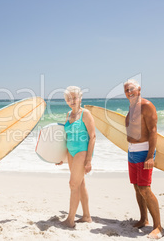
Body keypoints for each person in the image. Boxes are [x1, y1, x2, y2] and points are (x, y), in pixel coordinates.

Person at [124, 79, 163, 239]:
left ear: (139, 89)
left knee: (145, 189)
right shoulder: (131, 107)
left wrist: (150, 156)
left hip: (144, 151)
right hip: (132, 152)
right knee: (136, 188)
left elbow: (153, 131)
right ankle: (143, 219)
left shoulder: (147, 105)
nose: (129, 92)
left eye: (131, 89)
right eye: (126, 90)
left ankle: (158, 227)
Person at [58, 86, 96, 228]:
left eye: (74, 97)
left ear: (80, 98)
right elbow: (65, 138)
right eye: (69, 98)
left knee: (73, 184)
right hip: (70, 152)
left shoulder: (85, 114)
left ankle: (70, 219)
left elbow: (92, 137)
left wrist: (89, 160)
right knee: (80, 184)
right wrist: (60, 157)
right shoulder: (68, 114)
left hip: (82, 151)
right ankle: (86, 216)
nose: (72, 101)